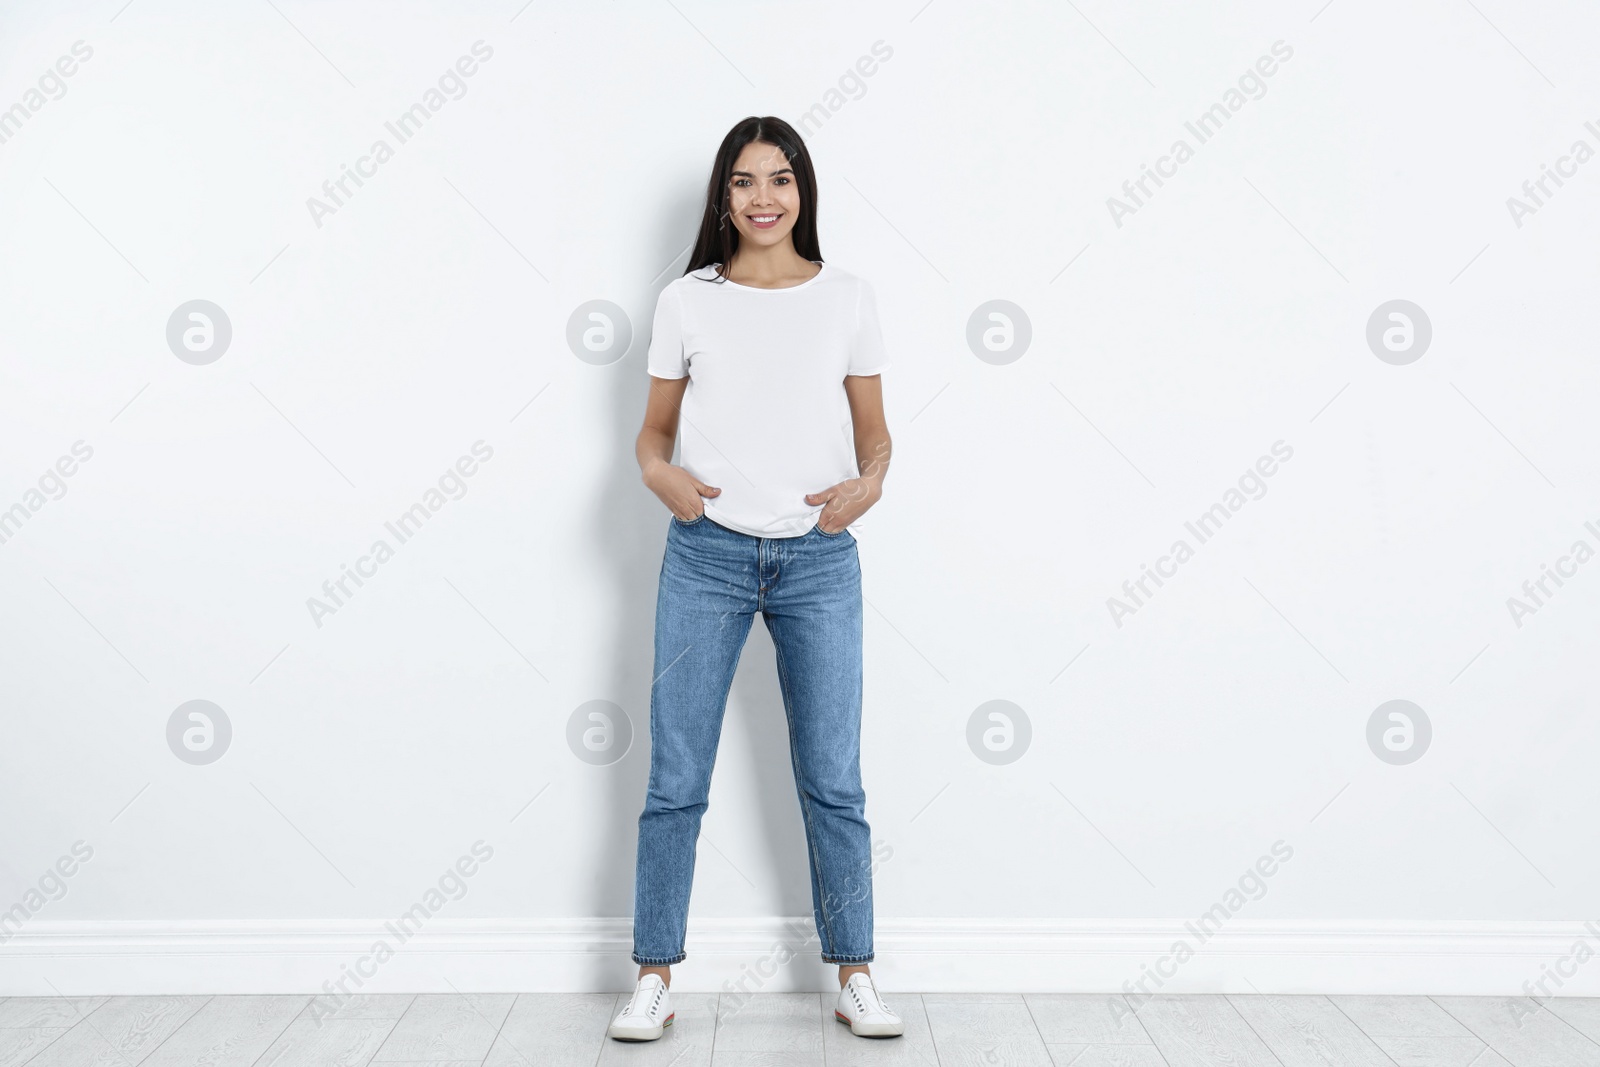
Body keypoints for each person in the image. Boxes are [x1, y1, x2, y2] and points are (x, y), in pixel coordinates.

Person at [608, 115, 902, 1042]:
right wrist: (666, 483)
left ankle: (855, 970)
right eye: (745, 182)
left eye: (780, 179)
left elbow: (877, 436)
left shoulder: (848, 296)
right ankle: (654, 973)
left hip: (818, 555)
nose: (764, 198)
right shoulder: (687, 301)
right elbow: (651, 437)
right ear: (723, 197)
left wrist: (870, 484)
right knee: (676, 775)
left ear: (802, 190)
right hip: (708, 555)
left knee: (833, 777)